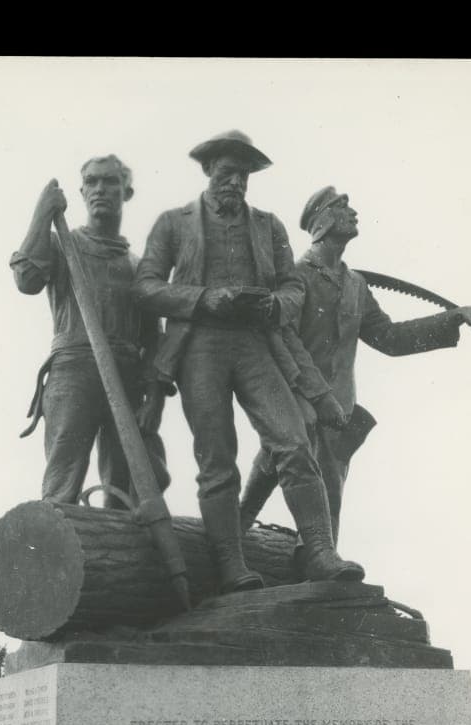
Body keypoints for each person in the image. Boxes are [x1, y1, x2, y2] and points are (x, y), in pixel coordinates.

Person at [133, 130, 349, 593]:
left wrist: (275, 304)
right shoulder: (173, 223)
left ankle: (319, 549)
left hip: (256, 345)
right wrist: (205, 298)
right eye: (228, 173)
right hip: (199, 349)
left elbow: (294, 287)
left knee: (293, 441)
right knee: (217, 460)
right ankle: (230, 564)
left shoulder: (269, 226)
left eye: (244, 175)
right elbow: (146, 287)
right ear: (209, 170)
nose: (236, 182)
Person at [239, 185, 471, 577]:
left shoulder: (356, 285)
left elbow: (390, 338)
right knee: (285, 463)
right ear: (324, 220)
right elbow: (282, 339)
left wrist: (455, 316)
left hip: (339, 408)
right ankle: (248, 536)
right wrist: (311, 395)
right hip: (297, 397)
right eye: (343, 207)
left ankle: (307, 556)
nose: (354, 213)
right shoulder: (296, 278)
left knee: (324, 483)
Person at [10, 155, 170, 510]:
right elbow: (26, 280)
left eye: (109, 182)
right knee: (61, 484)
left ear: (126, 192)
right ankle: (54, 539)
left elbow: (154, 338)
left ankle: (121, 544)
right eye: (92, 182)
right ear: (81, 192)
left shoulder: (138, 266)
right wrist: (42, 212)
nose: (100, 189)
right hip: (74, 369)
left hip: (127, 377)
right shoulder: (62, 245)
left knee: (132, 488)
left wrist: (155, 399)